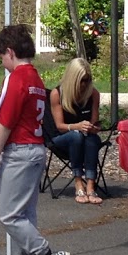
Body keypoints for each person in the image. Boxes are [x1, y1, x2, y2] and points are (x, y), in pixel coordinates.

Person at [0, 24, 72, 255]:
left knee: (9, 215)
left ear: (10, 52)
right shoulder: (35, 78)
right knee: (25, 215)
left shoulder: (19, 79)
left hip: (19, 151)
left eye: (2, 58)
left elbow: (6, 122)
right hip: (35, 149)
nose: (4, 64)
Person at [46, 57, 102, 204]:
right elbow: (59, 126)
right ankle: (78, 182)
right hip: (62, 137)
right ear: (73, 79)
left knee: (91, 138)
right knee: (76, 136)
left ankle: (90, 185)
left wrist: (93, 128)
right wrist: (76, 126)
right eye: (81, 80)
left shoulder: (93, 94)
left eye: (87, 80)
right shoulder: (57, 94)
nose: (84, 84)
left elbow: (95, 122)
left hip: (85, 136)